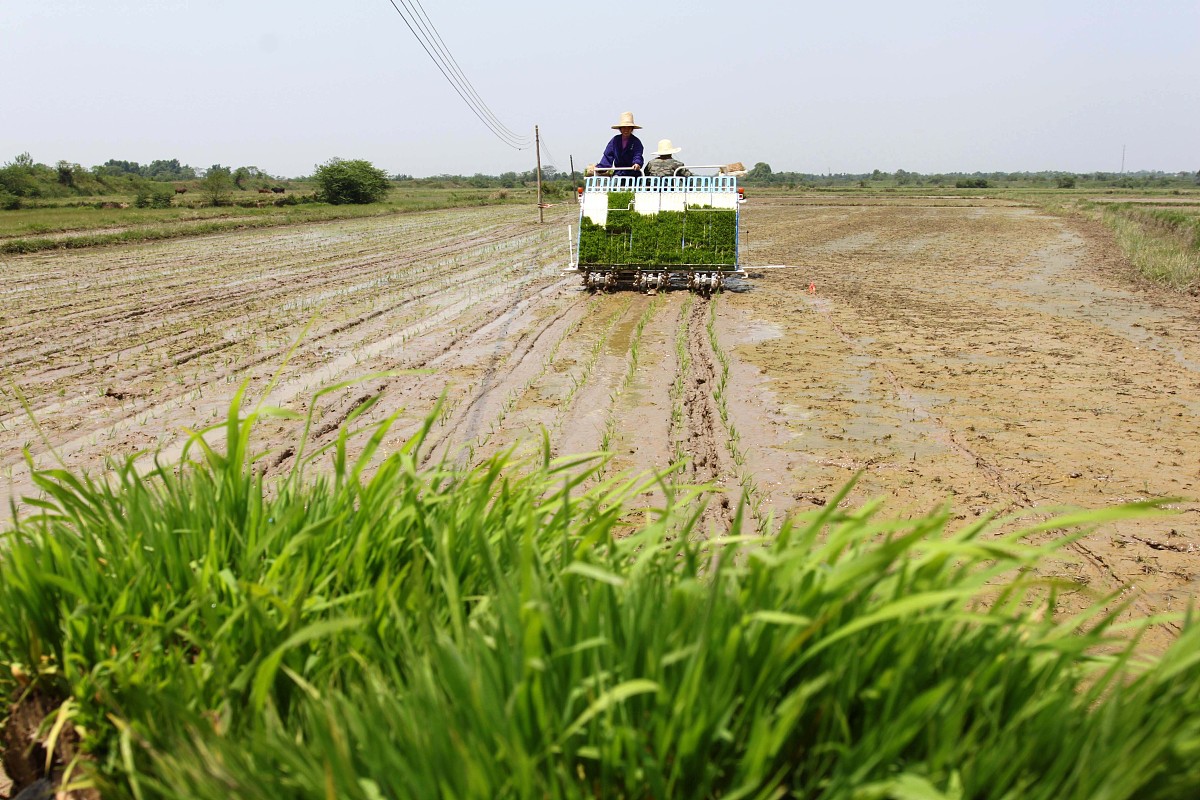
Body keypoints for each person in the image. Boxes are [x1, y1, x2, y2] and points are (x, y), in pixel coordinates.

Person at [592, 111, 644, 178]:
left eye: (629, 127)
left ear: (632, 129)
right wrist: (600, 168)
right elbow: (607, 156)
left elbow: (638, 155)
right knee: (615, 181)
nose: (626, 130)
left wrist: (637, 163)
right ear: (620, 129)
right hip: (618, 173)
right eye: (624, 127)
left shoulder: (636, 142)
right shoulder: (615, 141)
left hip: (633, 174)